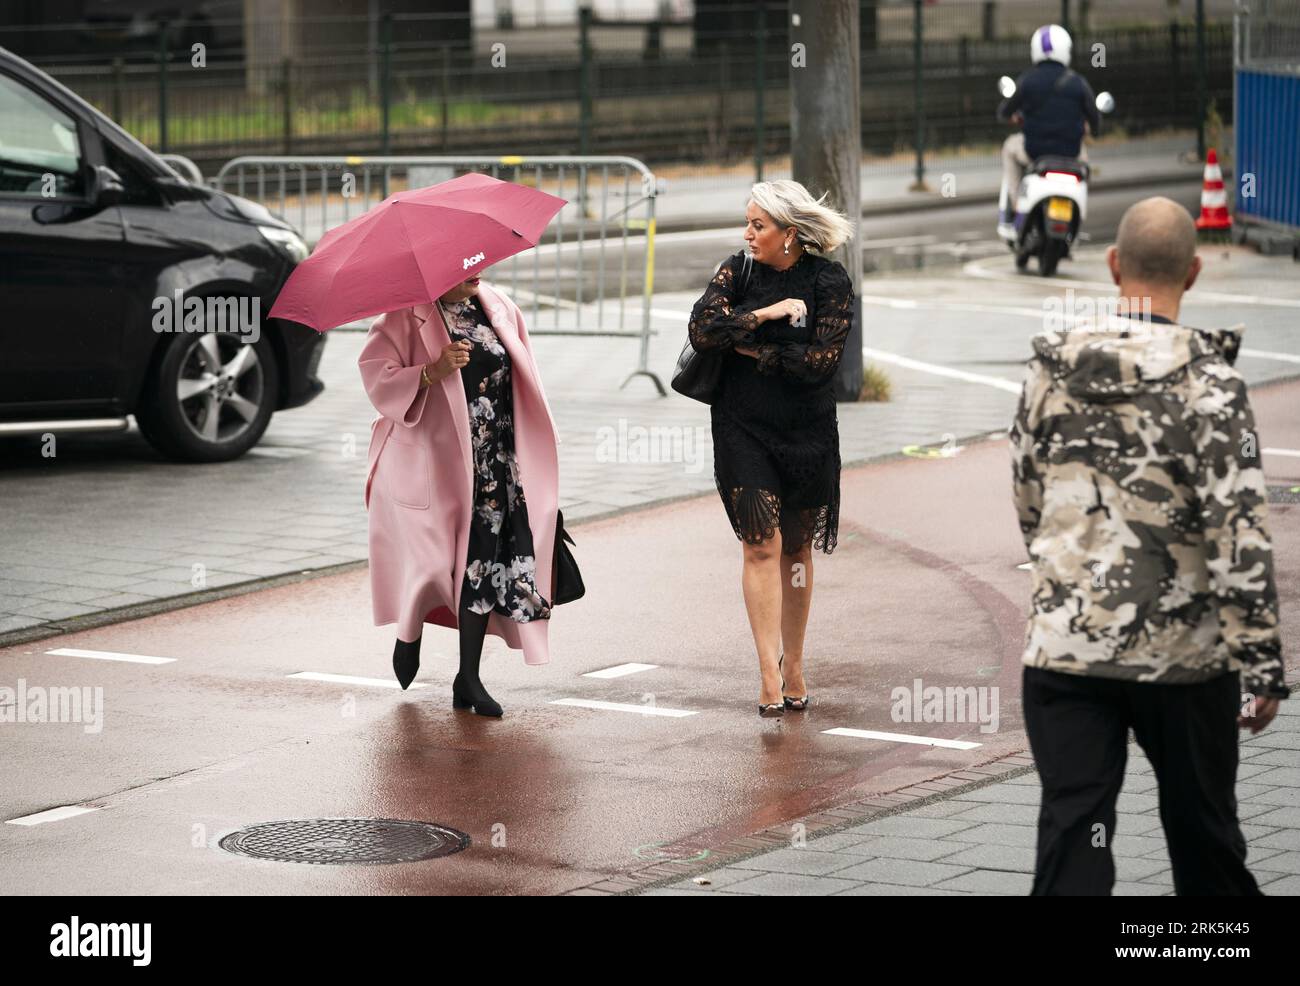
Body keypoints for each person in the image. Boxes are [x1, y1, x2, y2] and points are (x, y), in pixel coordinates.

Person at [1010, 196, 1290, 895]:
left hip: (1067, 652)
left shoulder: (1049, 370)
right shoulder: (1214, 384)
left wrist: (1069, 577)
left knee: (1074, 834)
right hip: (1185, 660)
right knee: (1205, 838)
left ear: (1111, 265)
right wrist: (1260, 664)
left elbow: (1028, 499)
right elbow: (1240, 533)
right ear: (1193, 273)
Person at [358, 270, 562, 717]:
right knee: (431, 568)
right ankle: (408, 634)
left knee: (482, 566)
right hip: (432, 466)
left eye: (477, 263)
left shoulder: (497, 305)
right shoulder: (402, 317)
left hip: (493, 463)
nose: (476, 271)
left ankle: (468, 676)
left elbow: (522, 379)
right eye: (461, 266)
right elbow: (376, 378)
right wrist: (430, 372)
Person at [687, 180, 855, 718]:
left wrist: (749, 348)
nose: (748, 233)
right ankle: (766, 673)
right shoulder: (738, 271)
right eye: (749, 222)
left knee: (797, 551)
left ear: (789, 232)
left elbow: (819, 365)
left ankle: (796, 664)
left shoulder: (829, 280)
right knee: (760, 544)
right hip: (742, 427)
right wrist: (764, 315)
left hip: (806, 431)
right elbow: (702, 329)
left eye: (758, 225)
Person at [996, 24, 1101, 238]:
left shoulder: (1027, 80)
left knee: (1009, 148)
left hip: (1034, 152)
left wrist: (1014, 117)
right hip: (1070, 154)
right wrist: (1089, 129)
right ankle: (1078, 212)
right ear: (1066, 50)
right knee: (1085, 167)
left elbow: (1004, 112)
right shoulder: (1078, 83)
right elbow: (1095, 122)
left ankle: (1016, 203)